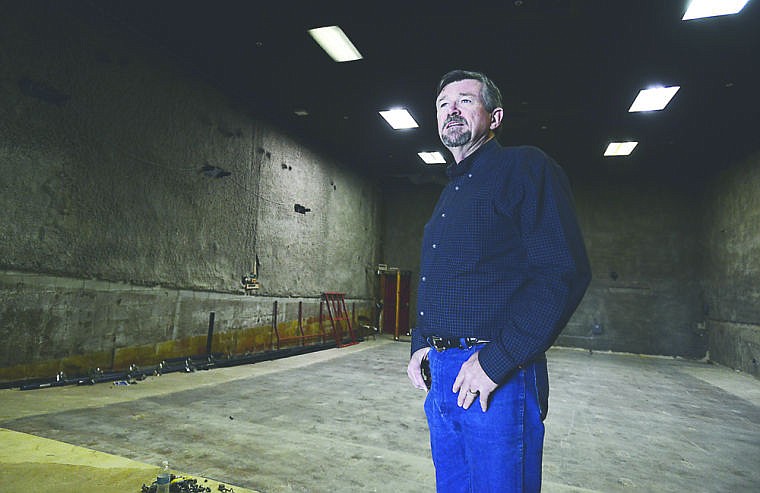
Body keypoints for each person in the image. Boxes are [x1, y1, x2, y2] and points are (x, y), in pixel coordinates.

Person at [407, 69, 591, 492]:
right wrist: (422, 342)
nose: (451, 109)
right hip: (443, 376)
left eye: (465, 100)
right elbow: (443, 278)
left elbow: (563, 272)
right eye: (442, 104)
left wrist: (498, 362)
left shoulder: (524, 168)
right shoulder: (450, 193)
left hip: (495, 375)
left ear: (495, 117)